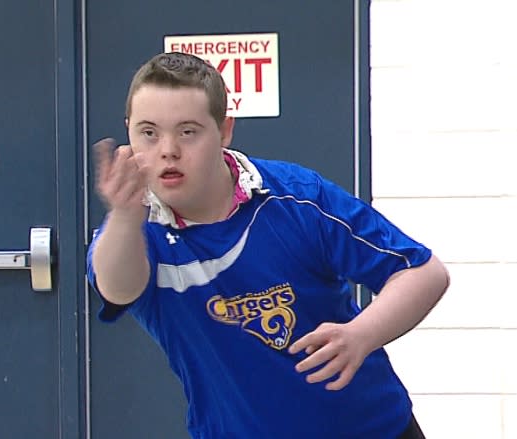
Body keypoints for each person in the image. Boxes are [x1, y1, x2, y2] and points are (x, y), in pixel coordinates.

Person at [87, 51, 450, 439]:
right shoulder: (134, 232)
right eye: (148, 132)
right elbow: (118, 288)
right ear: (128, 131)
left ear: (224, 130)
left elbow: (424, 273)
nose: (168, 149)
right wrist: (125, 216)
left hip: (374, 429)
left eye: (188, 131)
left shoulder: (296, 199)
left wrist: (362, 334)